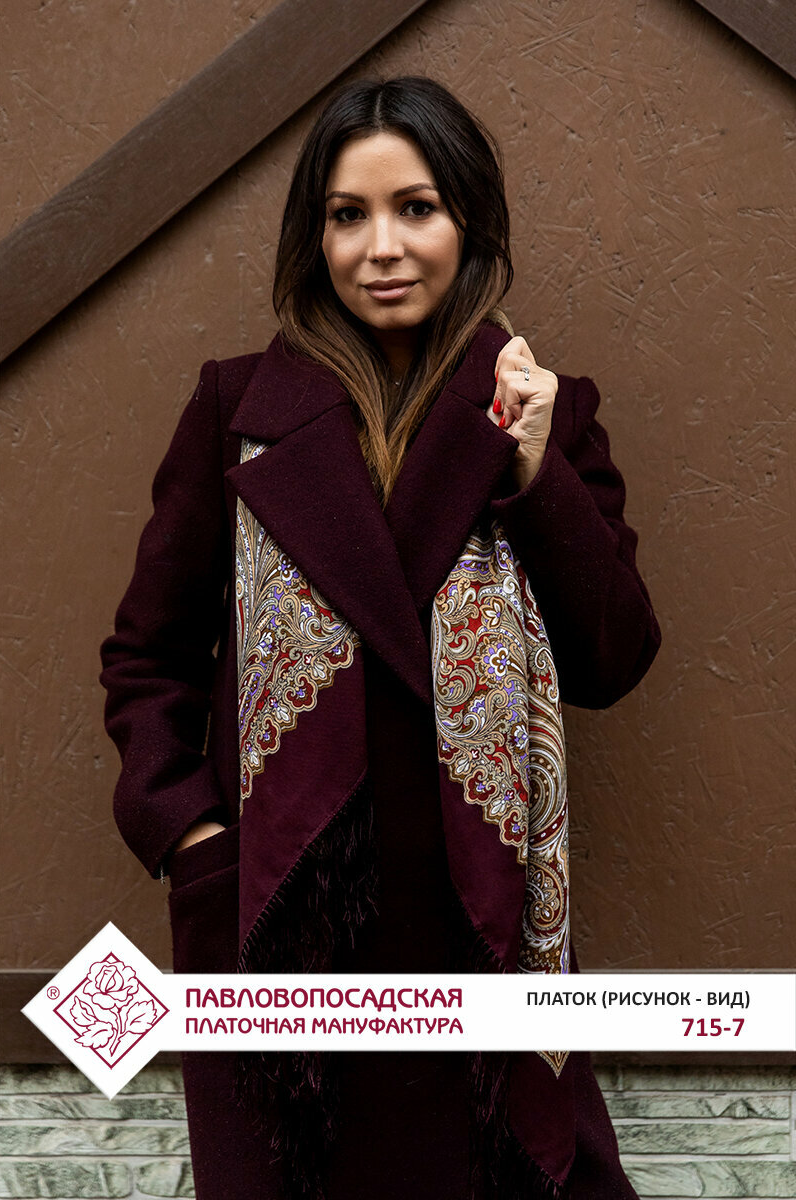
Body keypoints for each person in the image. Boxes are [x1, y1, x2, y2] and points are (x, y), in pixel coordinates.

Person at [100, 75, 661, 1200]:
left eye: (416, 208)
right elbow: (149, 656)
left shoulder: (543, 414)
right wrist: (192, 837)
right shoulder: (236, 414)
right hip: (286, 921)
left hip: (478, 920)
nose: (382, 248)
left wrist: (533, 471)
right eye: (347, 215)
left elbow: (610, 659)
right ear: (313, 237)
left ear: (469, 220)